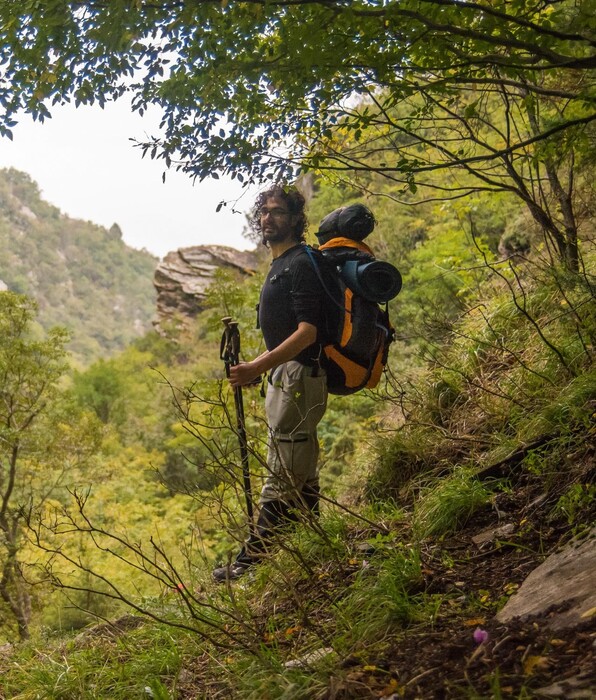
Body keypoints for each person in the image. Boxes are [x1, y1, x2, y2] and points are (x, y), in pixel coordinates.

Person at [213, 185, 328, 583]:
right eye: (263, 211)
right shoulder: (280, 264)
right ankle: (317, 540)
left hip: (299, 374)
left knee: (281, 472)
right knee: (300, 469)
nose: (267, 218)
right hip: (287, 376)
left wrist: (255, 367)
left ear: (296, 218)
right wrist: (261, 370)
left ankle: (250, 562)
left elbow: (308, 332)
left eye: (277, 211)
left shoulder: (301, 263)